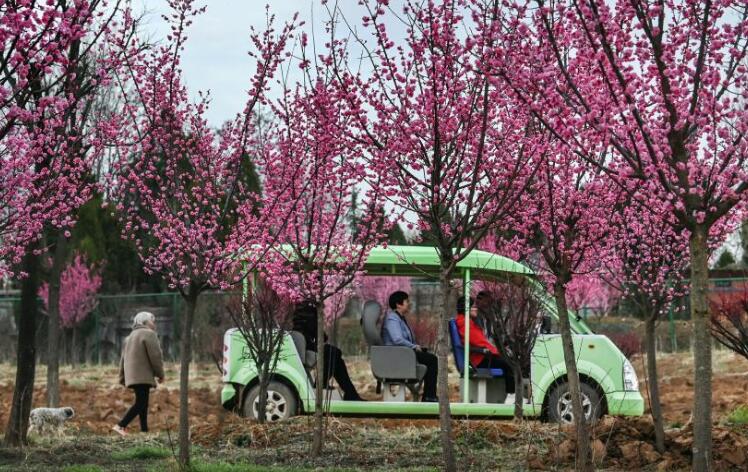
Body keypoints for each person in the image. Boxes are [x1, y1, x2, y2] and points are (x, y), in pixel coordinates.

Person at [292, 302, 364, 401]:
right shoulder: (311, 315)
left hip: (307, 348)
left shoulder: (299, 316)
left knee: (336, 358)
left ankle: (350, 392)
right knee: (334, 353)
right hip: (308, 350)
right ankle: (323, 384)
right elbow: (323, 337)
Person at [113, 311, 165, 436]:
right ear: (145, 322)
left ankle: (144, 430)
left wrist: (122, 377)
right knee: (141, 403)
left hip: (132, 376)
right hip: (143, 376)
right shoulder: (149, 334)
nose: (154, 324)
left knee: (143, 402)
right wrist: (160, 373)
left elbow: (123, 359)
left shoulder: (129, 337)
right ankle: (121, 425)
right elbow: (155, 356)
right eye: (153, 321)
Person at [381, 291, 438, 402]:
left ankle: (429, 395)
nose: (409, 303)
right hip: (398, 355)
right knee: (432, 360)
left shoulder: (400, 318)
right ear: (398, 304)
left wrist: (416, 347)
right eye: (407, 301)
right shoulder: (392, 318)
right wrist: (413, 346)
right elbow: (397, 339)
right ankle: (429, 396)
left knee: (429, 358)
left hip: (404, 353)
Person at [455, 297, 515, 394]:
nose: (476, 308)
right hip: (478, 360)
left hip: (477, 357)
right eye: (474, 306)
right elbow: (481, 343)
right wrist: (499, 352)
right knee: (510, 365)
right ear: (466, 308)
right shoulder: (466, 324)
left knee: (506, 362)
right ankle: (511, 395)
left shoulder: (464, 322)